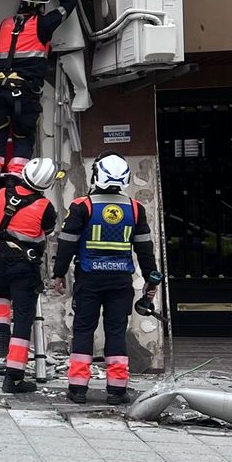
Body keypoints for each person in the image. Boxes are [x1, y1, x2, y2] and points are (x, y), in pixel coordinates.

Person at [52, 153, 164, 405]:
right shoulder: (135, 209)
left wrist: (58, 273)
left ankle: (78, 389)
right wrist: (150, 280)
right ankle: (117, 390)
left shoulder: (83, 206)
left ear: (96, 176)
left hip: (89, 279)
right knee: (116, 331)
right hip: (120, 281)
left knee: (83, 330)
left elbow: (67, 244)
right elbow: (145, 249)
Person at [0, 0, 81, 179]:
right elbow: (69, 4)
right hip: (23, 96)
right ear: (43, 5)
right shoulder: (43, 24)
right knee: (22, 138)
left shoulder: (6, 24)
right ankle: (17, 186)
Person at [0, 157, 59, 395]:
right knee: (23, 321)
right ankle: (13, 378)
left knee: (1, 295)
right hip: (24, 266)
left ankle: (1, 330)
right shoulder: (45, 207)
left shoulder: (1, 194)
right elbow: (48, 231)